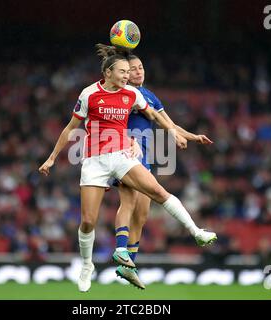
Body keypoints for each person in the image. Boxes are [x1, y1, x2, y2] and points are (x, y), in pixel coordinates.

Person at [39, 45, 217, 292]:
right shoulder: (89, 94)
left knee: (154, 197)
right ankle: (87, 265)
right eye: (124, 71)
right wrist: (51, 158)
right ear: (109, 72)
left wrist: (178, 133)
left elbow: (155, 115)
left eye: (133, 70)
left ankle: (195, 231)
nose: (129, 76)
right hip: (95, 159)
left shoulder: (134, 94)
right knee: (89, 221)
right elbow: (71, 128)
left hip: (124, 155)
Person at [113, 54, 214, 289]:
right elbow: (114, 122)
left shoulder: (149, 96)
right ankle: (121, 252)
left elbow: (168, 123)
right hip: (127, 154)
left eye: (141, 68)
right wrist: (127, 139)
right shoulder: (122, 95)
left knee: (142, 214)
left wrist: (191, 136)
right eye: (133, 69)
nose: (138, 72)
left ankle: (128, 266)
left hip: (144, 158)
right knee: (129, 202)